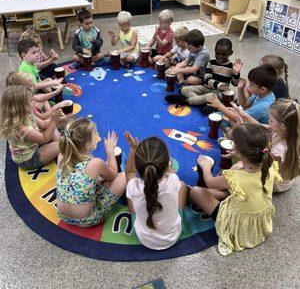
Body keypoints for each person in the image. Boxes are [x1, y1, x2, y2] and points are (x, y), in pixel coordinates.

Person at [190, 123, 282, 255]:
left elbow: (209, 182)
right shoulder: (270, 164)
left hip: (238, 224)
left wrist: (205, 166)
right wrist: (239, 159)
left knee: (196, 191)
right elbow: (245, 169)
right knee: (234, 174)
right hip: (258, 220)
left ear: (240, 152)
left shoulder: (234, 176)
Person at [56, 118, 126, 227]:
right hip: (87, 219)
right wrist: (110, 151)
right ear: (88, 145)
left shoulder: (61, 156)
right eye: (95, 134)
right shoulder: (95, 164)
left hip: (63, 216)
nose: (97, 136)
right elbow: (113, 175)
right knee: (123, 177)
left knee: (97, 178)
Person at [125, 132, 187, 250]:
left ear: (138, 167)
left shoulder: (134, 186)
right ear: (166, 164)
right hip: (173, 237)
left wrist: (133, 149)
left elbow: (129, 173)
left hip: (144, 239)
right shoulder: (173, 180)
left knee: (129, 193)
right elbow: (171, 171)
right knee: (182, 186)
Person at [165, 38, 242, 106]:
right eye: (217, 53)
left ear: (230, 53)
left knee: (210, 96)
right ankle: (202, 102)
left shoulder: (232, 66)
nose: (220, 57)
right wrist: (219, 84)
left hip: (218, 92)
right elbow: (207, 79)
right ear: (215, 50)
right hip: (205, 87)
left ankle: (186, 101)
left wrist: (236, 73)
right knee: (184, 89)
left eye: (224, 54)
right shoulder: (211, 63)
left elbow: (235, 83)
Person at [0, 85, 62, 169]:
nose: (35, 102)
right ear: (21, 107)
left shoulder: (26, 113)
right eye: (31, 101)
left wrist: (59, 120)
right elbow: (44, 139)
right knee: (60, 145)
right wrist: (54, 120)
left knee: (52, 127)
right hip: (29, 159)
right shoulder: (22, 127)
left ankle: (59, 143)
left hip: (32, 144)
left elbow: (43, 123)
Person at [208, 64, 277, 126]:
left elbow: (238, 119)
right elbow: (245, 105)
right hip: (246, 119)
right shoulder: (264, 94)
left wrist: (219, 105)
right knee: (221, 115)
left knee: (222, 122)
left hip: (256, 132)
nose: (249, 86)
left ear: (262, 89)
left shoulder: (262, 107)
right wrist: (240, 89)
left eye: (252, 84)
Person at [268, 100, 300, 192]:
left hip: (277, 184)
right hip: (283, 175)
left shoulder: (280, 150)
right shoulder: (288, 133)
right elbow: (261, 127)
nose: (268, 121)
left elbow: (263, 164)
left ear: (281, 126)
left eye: (271, 120)